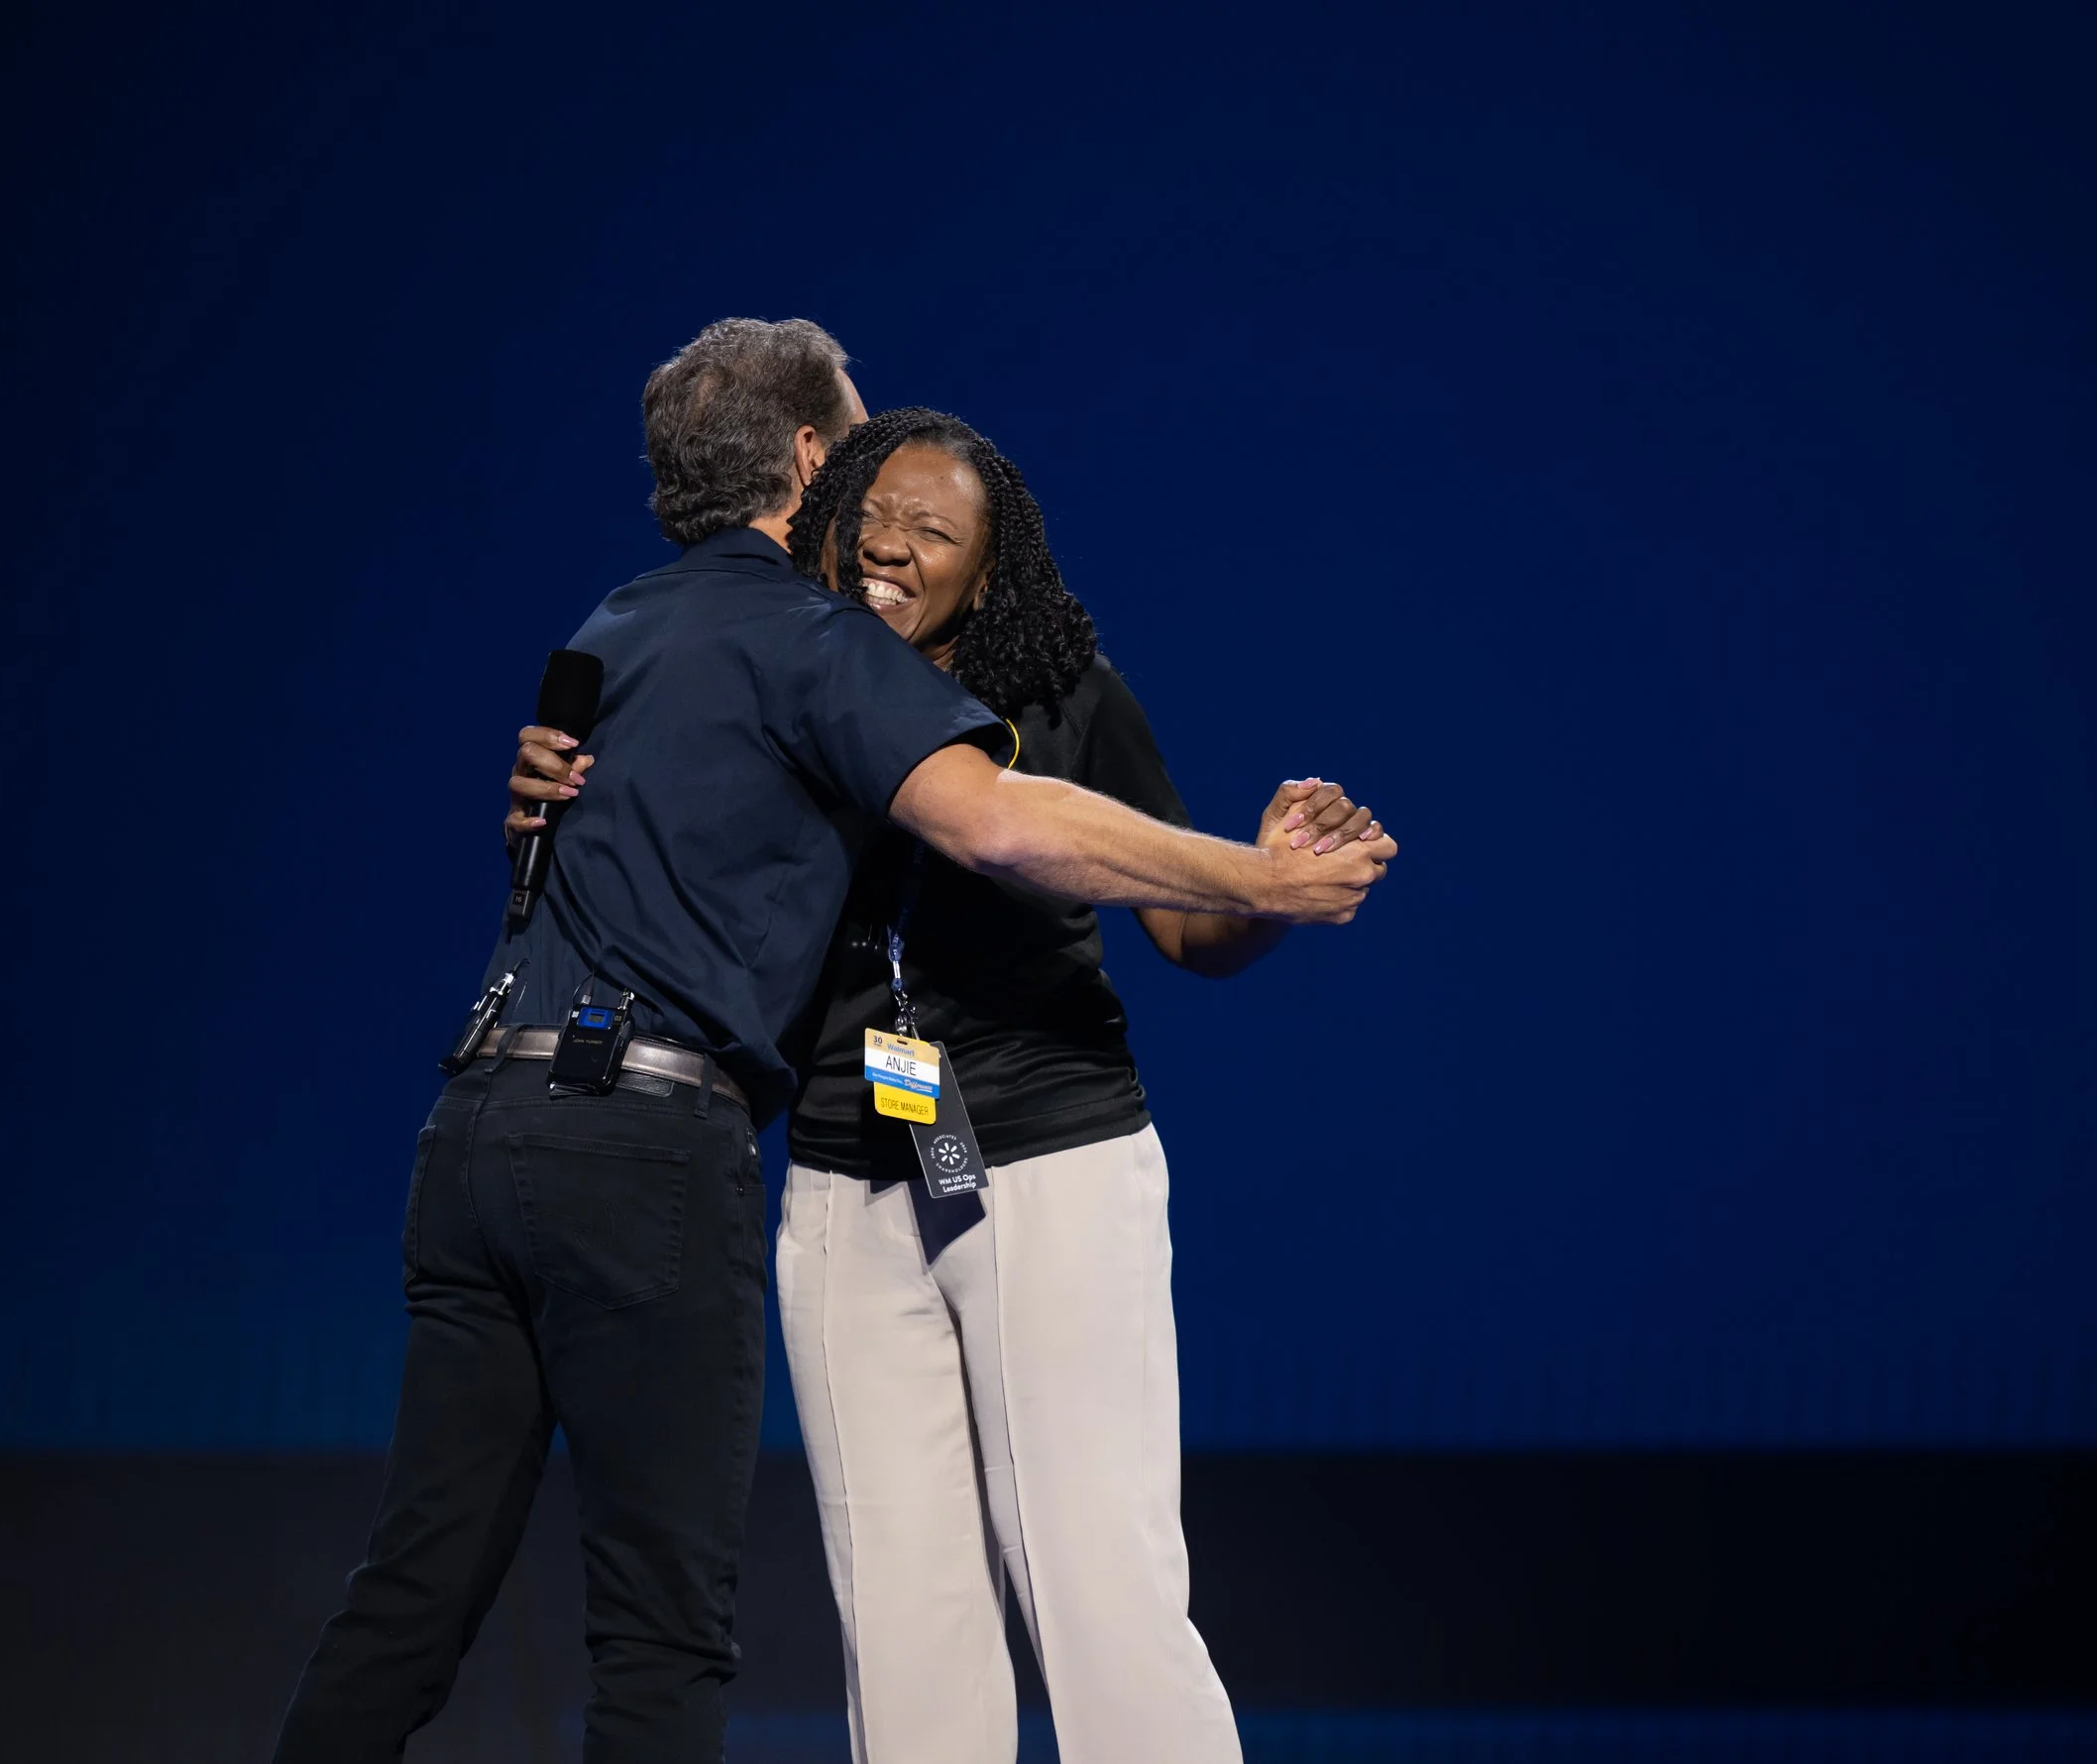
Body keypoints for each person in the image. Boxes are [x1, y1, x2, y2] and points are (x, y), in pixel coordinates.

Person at [275, 321, 1394, 1764]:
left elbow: (1145, 907)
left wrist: (1260, 884)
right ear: (813, 488)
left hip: (1041, 1156)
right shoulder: (782, 661)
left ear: (995, 570)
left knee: (1092, 1586)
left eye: (930, 531)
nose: (887, 546)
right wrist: (538, 786)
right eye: (867, 513)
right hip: (836, 1174)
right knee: (900, 1619)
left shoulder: (1046, 694)